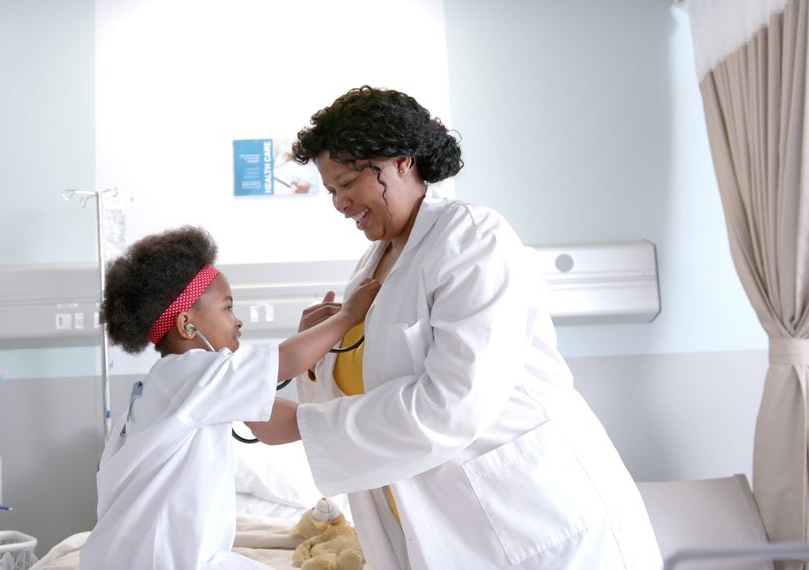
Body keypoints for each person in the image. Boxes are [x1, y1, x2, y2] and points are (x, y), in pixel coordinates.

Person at [248, 86, 663, 569]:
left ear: (400, 161)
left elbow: (454, 403)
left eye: (346, 183)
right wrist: (320, 356)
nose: (340, 204)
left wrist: (300, 425)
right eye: (331, 192)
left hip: (538, 525)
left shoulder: (471, 238)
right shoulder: (372, 265)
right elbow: (367, 395)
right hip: (446, 528)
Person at [80, 226, 379, 570]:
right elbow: (286, 362)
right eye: (227, 308)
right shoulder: (191, 372)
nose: (238, 322)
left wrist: (349, 420)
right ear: (187, 325)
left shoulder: (168, 386)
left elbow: (271, 425)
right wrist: (348, 317)